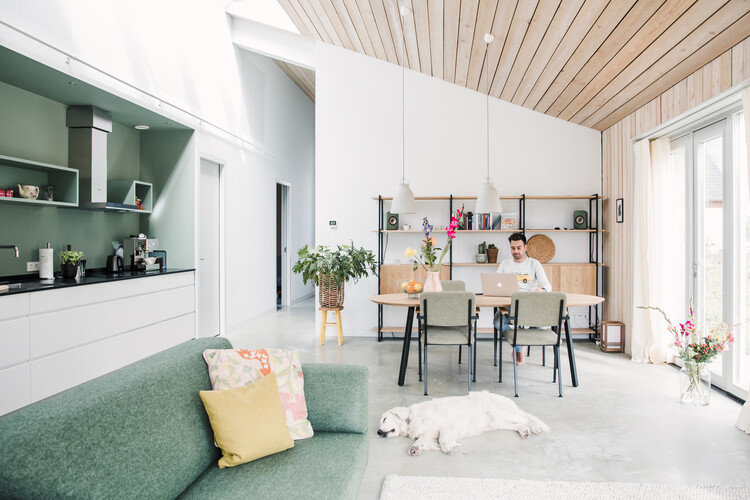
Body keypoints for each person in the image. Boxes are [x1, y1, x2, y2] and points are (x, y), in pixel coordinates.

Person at [494, 232, 551, 365]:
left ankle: (521, 342)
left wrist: (542, 290)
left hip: (530, 305)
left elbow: (547, 285)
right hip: (510, 305)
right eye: (513, 248)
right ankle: (519, 347)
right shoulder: (505, 264)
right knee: (497, 322)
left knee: (542, 327)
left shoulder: (534, 264)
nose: (516, 251)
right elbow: (496, 283)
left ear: (525, 247)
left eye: (519, 248)